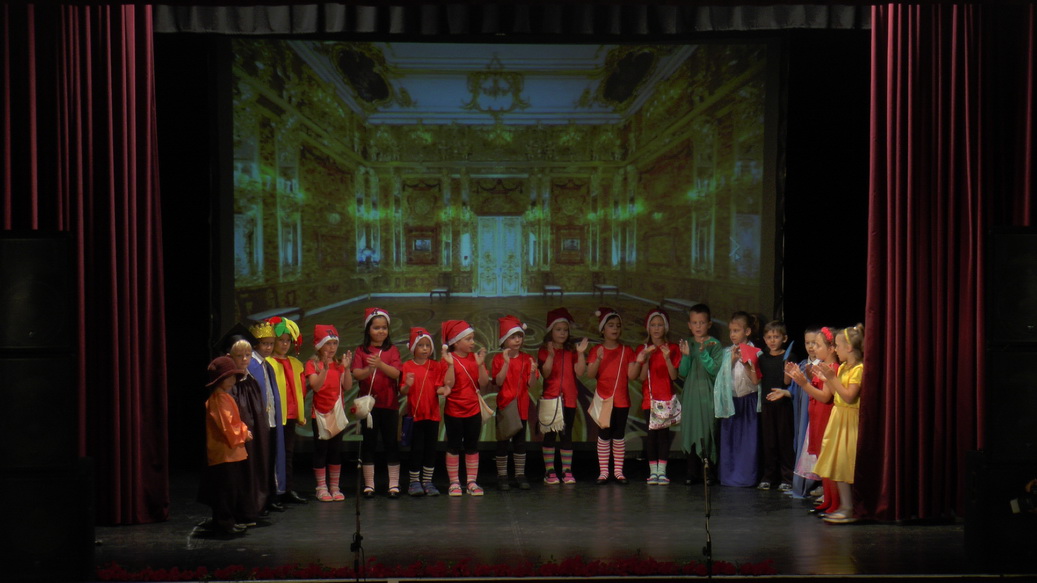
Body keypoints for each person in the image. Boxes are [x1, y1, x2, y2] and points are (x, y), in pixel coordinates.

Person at [812, 324, 865, 524]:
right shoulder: (843, 367)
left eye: (838, 346)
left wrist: (832, 378)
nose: (836, 349)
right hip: (838, 417)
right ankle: (845, 505)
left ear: (849, 348)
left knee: (846, 464)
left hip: (850, 420)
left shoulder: (859, 369)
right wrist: (827, 379)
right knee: (837, 464)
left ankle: (850, 508)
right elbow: (836, 394)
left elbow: (849, 396)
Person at [785, 326, 840, 513]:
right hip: (816, 418)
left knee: (827, 461)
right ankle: (829, 500)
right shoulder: (821, 367)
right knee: (821, 460)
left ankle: (834, 502)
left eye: (818, 345)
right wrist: (804, 377)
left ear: (831, 348)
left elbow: (824, 396)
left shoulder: (832, 369)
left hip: (825, 418)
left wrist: (803, 384)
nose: (814, 348)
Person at [351, 307, 403, 498]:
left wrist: (380, 365)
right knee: (369, 444)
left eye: (384, 328)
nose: (381, 331)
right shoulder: (361, 350)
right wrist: (369, 369)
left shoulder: (392, 350)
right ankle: (369, 485)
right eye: (376, 328)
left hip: (389, 405)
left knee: (391, 444)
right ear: (368, 330)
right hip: (368, 408)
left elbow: (396, 373)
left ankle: (394, 484)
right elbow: (357, 374)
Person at [198, 356, 252, 535]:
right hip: (225, 451)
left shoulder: (224, 397)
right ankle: (224, 523)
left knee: (230, 488)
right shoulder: (219, 399)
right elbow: (227, 426)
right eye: (229, 376)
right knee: (225, 490)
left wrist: (242, 431)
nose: (233, 379)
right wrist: (244, 432)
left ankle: (228, 520)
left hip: (230, 451)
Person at [629, 307, 681, 485]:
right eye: (653, 325)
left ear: (665, 327)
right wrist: (645, 358)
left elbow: (673, 376)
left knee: (664, 436)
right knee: (651, 435)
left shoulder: (672, 348)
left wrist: (667, 358)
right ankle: (653, 472)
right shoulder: (643, 348)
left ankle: (662, 471)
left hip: (666, 398)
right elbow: (642, 377)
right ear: (648, 328)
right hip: (649, 399)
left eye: (660, 325)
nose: (656, 328)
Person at [400, 327, 454, 497]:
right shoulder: (407, 366)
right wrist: (408, 385)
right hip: (416, 416)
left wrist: (445, 390)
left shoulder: (435, 366)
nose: (424, 349)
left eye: (427, 345)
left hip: (432, 415)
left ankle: (428, 481)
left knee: (430, 449)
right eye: (420, 345)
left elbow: (438, 388)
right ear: (413, 347)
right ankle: (414, 482)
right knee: (416, 449)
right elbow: (403, 391)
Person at [537, 308, 588, 485]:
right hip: (551, 399)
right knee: (550, 436)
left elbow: (580, 372)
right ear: (551, 331)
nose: (562, 333)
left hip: (569, 399)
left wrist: (580, 353)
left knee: (566, 436)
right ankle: (549, 471)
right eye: (558, 329)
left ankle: (567, 470)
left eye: (565, 330)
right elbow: (545, 373)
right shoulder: (544, 350)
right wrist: (551, 356)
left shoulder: (571, 350)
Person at [586, 307, 636, 484]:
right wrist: (599, 359)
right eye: (611, 325)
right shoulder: (596, 350)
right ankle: (604, 472)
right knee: (604, 434)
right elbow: (590, 374)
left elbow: (632, 375)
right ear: (602, 329)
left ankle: (618, 472)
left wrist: (640, 360)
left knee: (619, 434)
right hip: (603, 399)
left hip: (621, 400)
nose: (615, 329)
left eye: (618, 325)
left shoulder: (626, 350)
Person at [713, 311, 763, 487]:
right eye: (731, 331)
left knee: (748, 441)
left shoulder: (756, 352)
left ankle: (746, 477)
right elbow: (721, 379)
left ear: (747, 331)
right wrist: (732, 361)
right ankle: (728, 476)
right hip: (731, 402)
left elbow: (757, 380)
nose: (732, 334)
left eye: (736, 330)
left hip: (748, 401)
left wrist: (746, 363)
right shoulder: (727, 352)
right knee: (730, 441)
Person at [441, 319, 490, 496]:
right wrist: (451, 365)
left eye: (472, 338)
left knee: (472, 446)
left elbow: (484, 383)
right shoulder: (448, 359)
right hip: (454, 410)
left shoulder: (475, 358)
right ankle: (454, 482)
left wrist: (480, 365)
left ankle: (471, 482)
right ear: (456, 342)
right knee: (453, 446)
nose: (472, 342)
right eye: (468, 339)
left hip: (473, 410)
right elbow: (449, 384)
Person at [677, 304, 723, 486]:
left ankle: (708, 471)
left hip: (706, 394)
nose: (698, 326)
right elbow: (682, 372)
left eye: (702, 322)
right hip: (690, 394)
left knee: (706, 430)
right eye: (694, 323)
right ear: (689, 325)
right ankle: (691, 472)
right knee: (691, 429)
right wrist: (686, 356)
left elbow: (714, 370)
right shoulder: (688, 343)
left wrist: (703, 354)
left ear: (709, 324)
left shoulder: (714, 345)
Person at [306, 325, 353, 502]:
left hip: (336, 413)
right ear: (319, 345)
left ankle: (334, 487)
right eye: (328, 343)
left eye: (334, 343)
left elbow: (347, 386)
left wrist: (346, 369)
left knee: (335, 451)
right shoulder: (312, 364)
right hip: (319, 414)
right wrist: (324, 369)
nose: (332, 348)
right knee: (321, 451)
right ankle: (321, 487)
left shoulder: (339, 365)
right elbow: (316, 387)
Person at [265, 316, 308, 504]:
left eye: (287, 341)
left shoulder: (296, 364)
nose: (284, 344)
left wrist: (300, 413)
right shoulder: (267, 362)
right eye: (281, 340)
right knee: (273, 453)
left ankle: (287, 489)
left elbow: (301, 390)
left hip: (290, 415)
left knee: (288, 453)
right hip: (274, 415)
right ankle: (272, 492)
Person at [492, 316, 537, 490]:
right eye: (513, 337)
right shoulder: (498, 359)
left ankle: (520, 474)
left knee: (520, 443)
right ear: (504, 340)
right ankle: (502, 476)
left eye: (519, 336)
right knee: (503, 442)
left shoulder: (527, 358)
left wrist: (532, 372)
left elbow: (531, 384)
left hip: (522, 406)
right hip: (505, 405)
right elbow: (499, 381)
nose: (517, 340)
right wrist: (506, 363)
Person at [247, 320, 287, 513]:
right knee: (260, 461)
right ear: (256, 344)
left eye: (271, 344)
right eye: (265, 344)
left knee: (271, 460)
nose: (269, 348)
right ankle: (259, 500)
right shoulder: (251, 365)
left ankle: (271, 496)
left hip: (271, 420)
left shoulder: (267, 365)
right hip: (259, 421)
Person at [757, 321, 794, 491]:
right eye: (769, 337)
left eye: (776, 337)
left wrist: (787, 368)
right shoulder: (762, 358)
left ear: (784, 338)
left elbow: (787, 382)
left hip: (783, 405)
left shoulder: (789, 356)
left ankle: (787, 478)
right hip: (767, 404)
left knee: (784, 442)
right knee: (769, 443)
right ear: (764, 339)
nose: (772, 340)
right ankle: (768, 477)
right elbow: (756, 380)